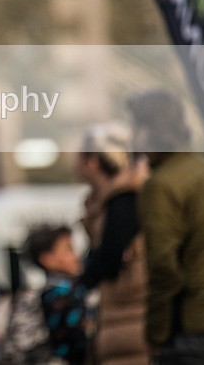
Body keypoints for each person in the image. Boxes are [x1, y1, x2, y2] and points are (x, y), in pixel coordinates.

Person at [127, 90, 204, 364]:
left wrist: (156, 335)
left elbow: (163, 268)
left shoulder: (162, 185)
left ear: (147, 131)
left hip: (191, 330)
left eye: (135, 126)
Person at [76, 122, 149, 365]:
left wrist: (86, 273)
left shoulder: (123, 199)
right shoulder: (114, 199)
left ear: (93, 162)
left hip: (129, 320)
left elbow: (108, 260)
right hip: (125, 319)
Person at [2, 225, 87, 365]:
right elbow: (76, 340)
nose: (76, 256)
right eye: (69, 249)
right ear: (48, 259)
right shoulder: (60, 295)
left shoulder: (30, 296)